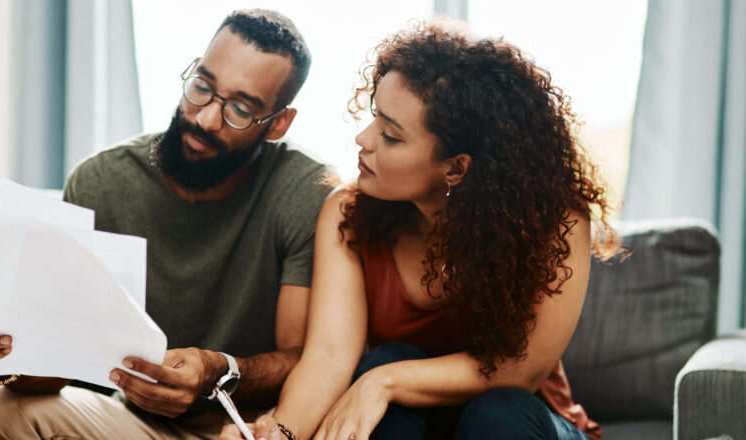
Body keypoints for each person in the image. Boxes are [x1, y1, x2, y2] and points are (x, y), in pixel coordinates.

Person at [221, 19, 622, 440]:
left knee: (492, 411)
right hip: (417, 426)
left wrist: (384, 382)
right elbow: (329, 357)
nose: (363, 138)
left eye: (391, 136)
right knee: (383, 367)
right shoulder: (347, 212)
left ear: (456, 168)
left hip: (522, 422)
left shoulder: (556, 221)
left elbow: (520, 371)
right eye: (374, 117)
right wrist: (280, 432)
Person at [0, 9, 333, 439]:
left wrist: (218, 371)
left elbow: (302, 357)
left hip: (245, 430)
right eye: (202, 86)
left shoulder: (305, 193)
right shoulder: (103, 181)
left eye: (240, 109)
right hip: (132, 424)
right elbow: (54, 372)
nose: (204, 118)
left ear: (278, 123)